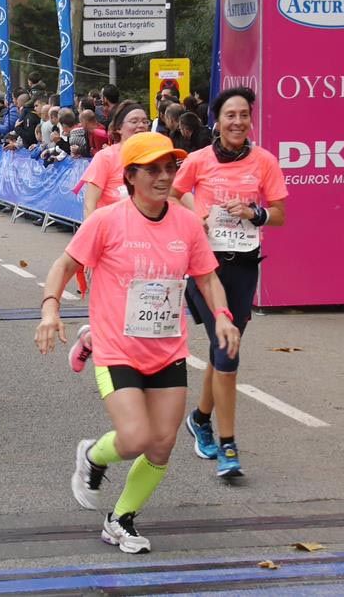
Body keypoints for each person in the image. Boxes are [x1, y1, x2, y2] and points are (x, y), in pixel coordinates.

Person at [35, 132, 240, 554]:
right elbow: (64, 263)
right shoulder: (107, 221)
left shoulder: (186, 221)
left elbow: (206, 276)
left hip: (167, 349)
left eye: (170, 168)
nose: (164, 177)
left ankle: (121, 518)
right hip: (118, 349)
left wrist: (222, 317)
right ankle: (93, 455)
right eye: (153, 169)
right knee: (135, 437)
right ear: (130, 176)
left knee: (162, 444)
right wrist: (50, 309)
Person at [173, 87, 288, 477]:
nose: (237, 122)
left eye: (244, 115)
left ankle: (201, 418)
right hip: (205, 264)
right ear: (217, 121)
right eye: (230, 115)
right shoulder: (198, 160)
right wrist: (196, 214)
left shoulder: (265, 161)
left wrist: (254, 213)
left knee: (225, 348)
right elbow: (174, 195)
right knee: (226, 348)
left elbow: (280, 214)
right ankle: (228, 446)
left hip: (243, 265)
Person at [67, 102, 153, 369]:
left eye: (145, 121)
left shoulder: (155, 158)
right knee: (113, 311)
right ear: (117, 129)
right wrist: (91, 245)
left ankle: (95, 339)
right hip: (110, 248)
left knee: (141, 308)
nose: (141, 125)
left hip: (148, 247)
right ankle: (106, 351)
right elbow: (90, 203)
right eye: (134, 121)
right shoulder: (106, 158)